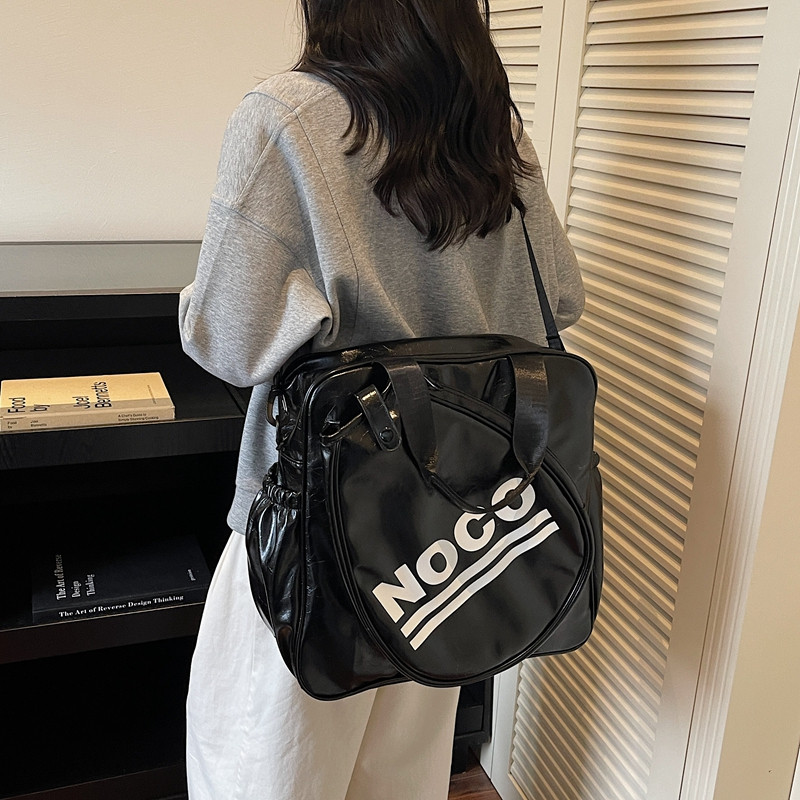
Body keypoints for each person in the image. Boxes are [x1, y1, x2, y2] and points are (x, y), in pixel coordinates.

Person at [178, 1, 585, 798]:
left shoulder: (286, 116)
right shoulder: (490, 123)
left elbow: (229, 339)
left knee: (263, 769)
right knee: (399, 774)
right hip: (451, 538)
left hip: (315, 531)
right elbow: (560, 297)